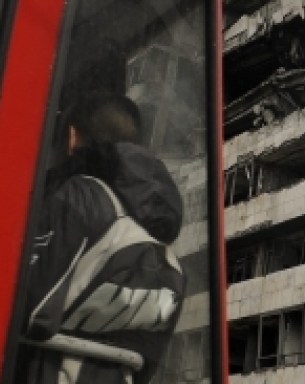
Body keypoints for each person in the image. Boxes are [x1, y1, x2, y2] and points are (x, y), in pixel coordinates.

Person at [22, 93, 186, 384]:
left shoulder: (80, 198)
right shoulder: (163, 248)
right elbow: (146, 364)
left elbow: (27, 308)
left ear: (72, 137)